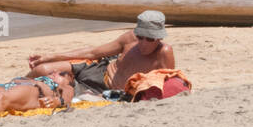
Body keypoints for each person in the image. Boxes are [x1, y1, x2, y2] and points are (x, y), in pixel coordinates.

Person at [26, 10, 176, 98]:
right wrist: (49, 56)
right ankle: (12, 86)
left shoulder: (164, 53)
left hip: (105, 90)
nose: (143, 43)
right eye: (140, 37)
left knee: (51, 90)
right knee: (42, 69)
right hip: (98, 70)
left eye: (149, 39)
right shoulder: (130, 37)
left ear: (160, 37)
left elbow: (165, 85)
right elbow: (93, 52)